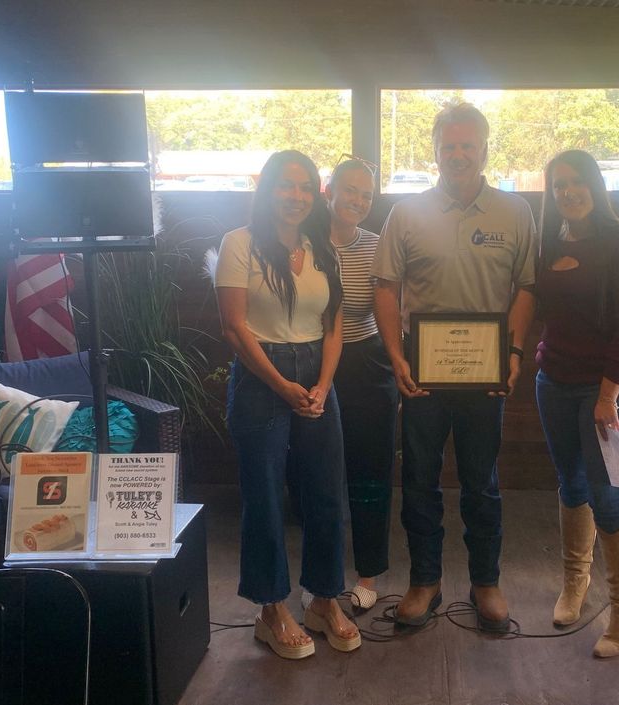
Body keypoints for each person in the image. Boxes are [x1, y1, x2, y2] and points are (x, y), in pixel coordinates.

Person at [372, 102, 538, 632]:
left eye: (469, 145)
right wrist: (397, 356)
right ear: (436, 150)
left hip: (485, 377)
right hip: (422, 375)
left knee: (481, 483)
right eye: (450, 145)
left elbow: (526, 288)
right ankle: (425, 581)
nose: (459, 154)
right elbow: (386, 289)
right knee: (419, 479)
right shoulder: (407, 213)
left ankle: (485, 582)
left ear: (485, 148)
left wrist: (512, 355)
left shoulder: (515, 213)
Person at [214, 150, 361, 659]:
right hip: (261, 378)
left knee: (325, 493)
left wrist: (322, 384)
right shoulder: (240, 243)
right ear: (268, 188)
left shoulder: (323, 247)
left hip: (317, 376)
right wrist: (281, 384)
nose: (296, 196)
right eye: (286, 185)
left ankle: (323, 599)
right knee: (265, 498)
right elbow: (234, 327)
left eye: (305, 187)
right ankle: (271, 609)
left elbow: (334, 324)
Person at [534, 149, 619, 658]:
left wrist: (608, 394)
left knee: (611, 498)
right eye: (558, 184)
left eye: (577, 182)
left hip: (614, 389)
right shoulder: (547, 240)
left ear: (595, 185)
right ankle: (574, 583)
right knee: (571, 484)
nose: (568, 192)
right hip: (553, 382)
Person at [325, 157, 399, 610]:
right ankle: (324, 576)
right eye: (349, 190)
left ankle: (367, 576)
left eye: (366, 195)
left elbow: (394, 314)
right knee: (322, 475)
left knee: (372, 473)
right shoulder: (306, 243)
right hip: (313, 364)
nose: (356, 200)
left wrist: (401, 367)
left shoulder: (377, 246)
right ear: (328, 190)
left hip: (368, 365)